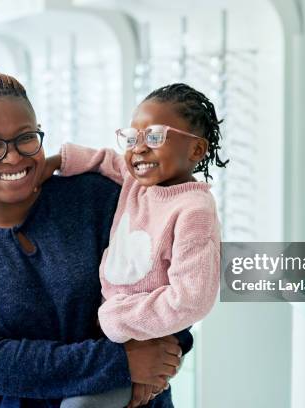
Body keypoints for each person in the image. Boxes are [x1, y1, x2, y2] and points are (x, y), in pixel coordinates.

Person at [0, 71, 192, 408]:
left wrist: (159, 362)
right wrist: (119, 364)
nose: (13, 157)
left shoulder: (95, 197)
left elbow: (170, 279)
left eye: (25, 138)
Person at [44, 83, 228, 408]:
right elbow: (104, 160)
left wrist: (118, 321)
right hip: (110, 334)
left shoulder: (194, 211)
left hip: (139, 334)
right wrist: (56, 160)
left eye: (155, 137)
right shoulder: (136, 182)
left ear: (196, 151)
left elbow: (192, 299)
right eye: (133, 138)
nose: (139, 149)